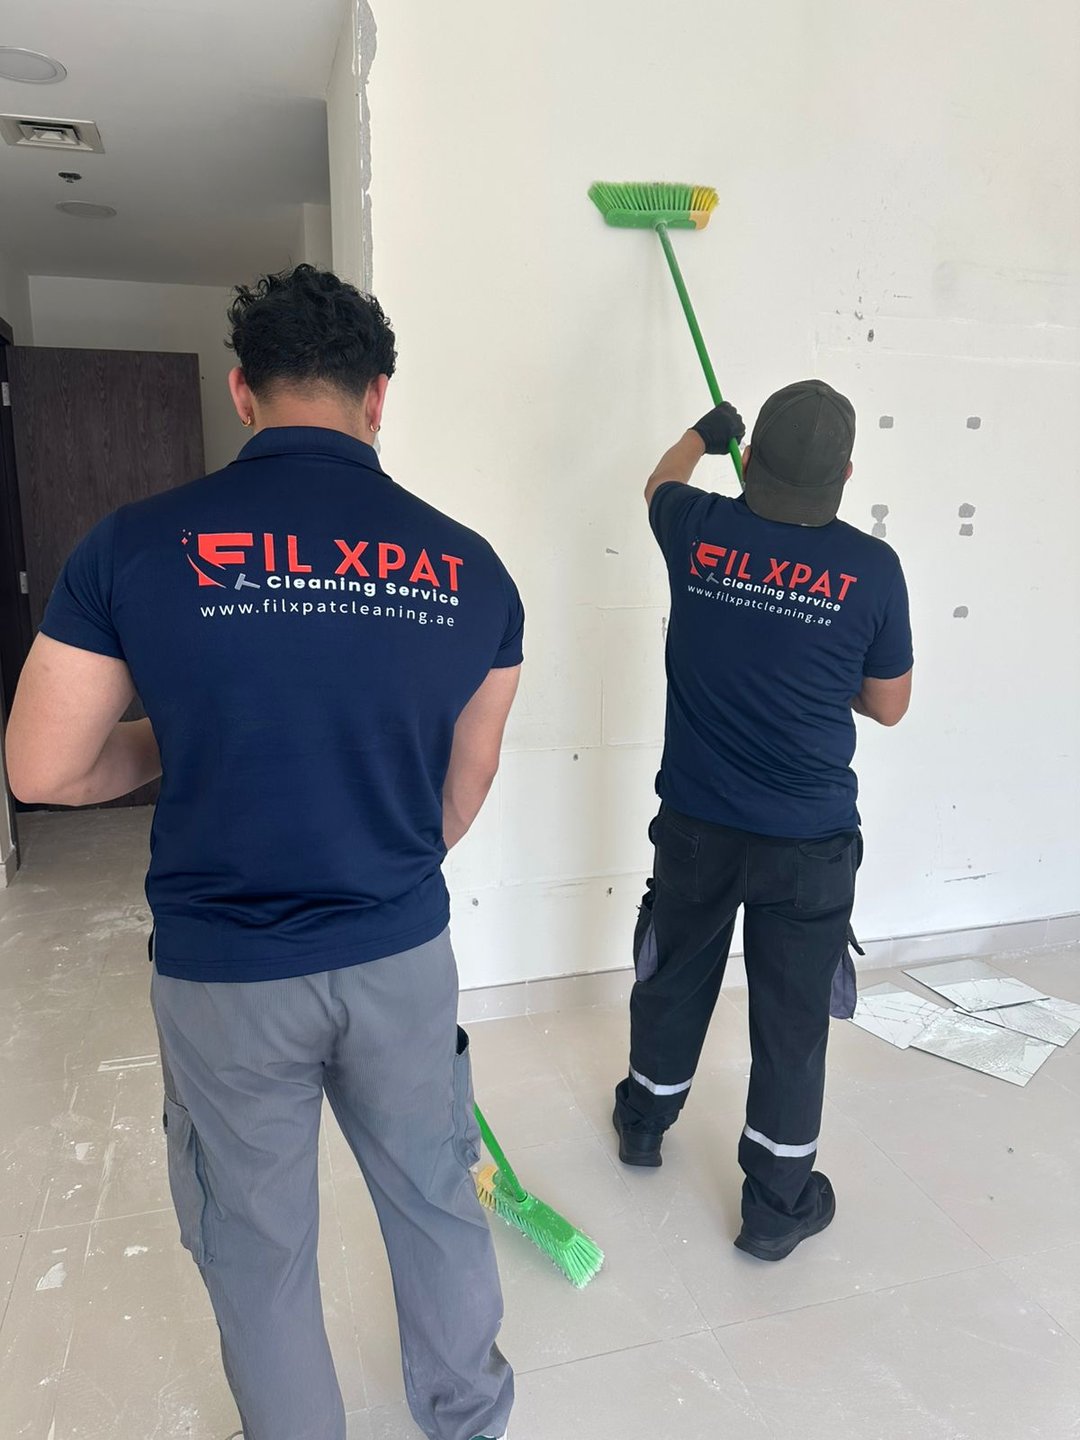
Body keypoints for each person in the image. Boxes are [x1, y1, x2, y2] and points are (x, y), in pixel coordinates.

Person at [5, 265, 520, 1440]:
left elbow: (42, 770)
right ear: (377, 397)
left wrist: (195, 737)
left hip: (228, 978)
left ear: (243, 392)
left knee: (258, 1243)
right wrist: (386, 870)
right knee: (435, 1196)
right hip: (399, 954)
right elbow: (469, 778)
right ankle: (469, 1417)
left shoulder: (133, 548)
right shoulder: (472, 569)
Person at [612, 381, 913, 1262]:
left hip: (697, 825)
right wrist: (823, 671)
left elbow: (658, 482)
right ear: (845, 474)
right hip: (807, 846)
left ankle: (644, 1123)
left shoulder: (697, 527)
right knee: (790, 1022)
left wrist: (703, 433)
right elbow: (889, 705)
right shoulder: (872, 569)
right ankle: (777, 1208)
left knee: (675, 976)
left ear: (754, 463)